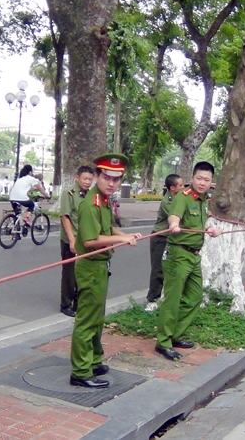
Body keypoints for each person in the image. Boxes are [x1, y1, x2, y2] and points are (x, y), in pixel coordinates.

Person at [70, 153, 142, 389]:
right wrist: (120, 241)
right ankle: (81, 371)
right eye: (107, 178)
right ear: (97, 176)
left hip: (100, 266)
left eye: (116, 179)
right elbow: (91, 240)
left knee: (97, 318)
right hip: (90, 266)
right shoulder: (91, 205)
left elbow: (108, 227)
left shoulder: (104, 201)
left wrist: (126, 235)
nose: (112, 183)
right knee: (87, 320)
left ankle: (93, 360)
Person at [155, 162, 221, 361]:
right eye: (199, 178)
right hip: (178, 255)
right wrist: (174, 224)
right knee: (172, 300)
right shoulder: (182, 197)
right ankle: (163, 342)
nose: (202, 183)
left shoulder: (202, 201)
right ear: (192, 178)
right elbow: (174, 216)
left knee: (194, 297)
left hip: (194, 255)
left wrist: (211, 229)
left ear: (211, 183)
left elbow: (201, 223)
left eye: (206, 180)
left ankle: (174, 334)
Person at [59, 165, 94, 317]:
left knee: (83, 272)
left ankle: (79, 303)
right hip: (70, 239)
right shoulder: (69, 193)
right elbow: (64, 217)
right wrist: (72, 239)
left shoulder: (90, 195)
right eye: (85, 178)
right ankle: (66, 304)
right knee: (70, 273)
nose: (87, 182)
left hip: (85, 239)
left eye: (90, 180)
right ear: (77, 177)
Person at [146, 174, 184, 313]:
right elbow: (178, 216)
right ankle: (152, 300)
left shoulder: (179, 198)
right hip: (160, 238)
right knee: (158, 269)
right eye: (180, 185)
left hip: (171, 239)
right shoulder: (168, 202)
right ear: (172, 188)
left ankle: (166, 298)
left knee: (171, 269)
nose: (183, 187)